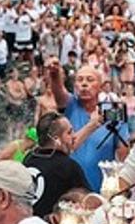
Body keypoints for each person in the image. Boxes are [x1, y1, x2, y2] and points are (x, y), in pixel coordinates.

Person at [44, 58, 117, 193]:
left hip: (103, 188)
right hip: (71, 188)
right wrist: (54, 74)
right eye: (80, 80)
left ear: (100, 86)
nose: (84, 84)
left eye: (90, 80)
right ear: (75, 85)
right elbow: (59, 92)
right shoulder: (71, 104)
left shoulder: (112, 110)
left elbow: (122, 149)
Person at [23, 111, 90, 217]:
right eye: (69, 132)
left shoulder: (28, 158)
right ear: (56, 139)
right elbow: (89, 202)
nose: (74, 136)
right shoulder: (69, 167)